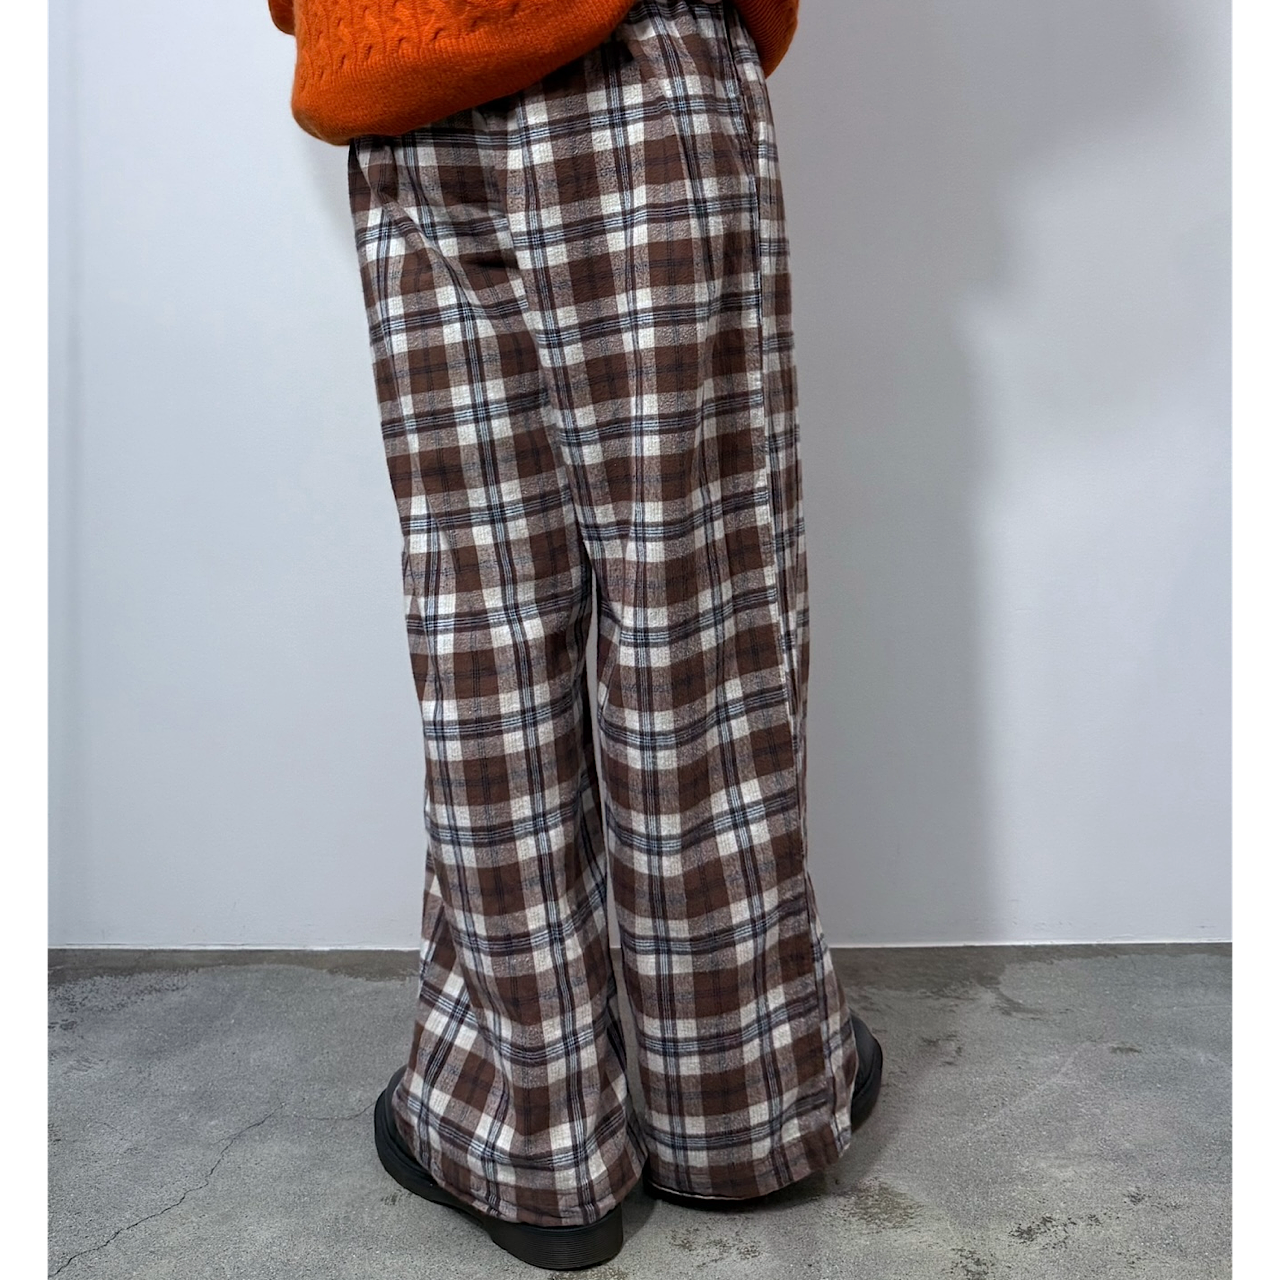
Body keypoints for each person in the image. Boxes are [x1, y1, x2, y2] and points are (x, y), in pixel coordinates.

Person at [267, 0, 883, 1269]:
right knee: (689, 606)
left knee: (485, 624)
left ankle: (527, 1128)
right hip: (632, 70)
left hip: (404, 89)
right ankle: (730, 1096)